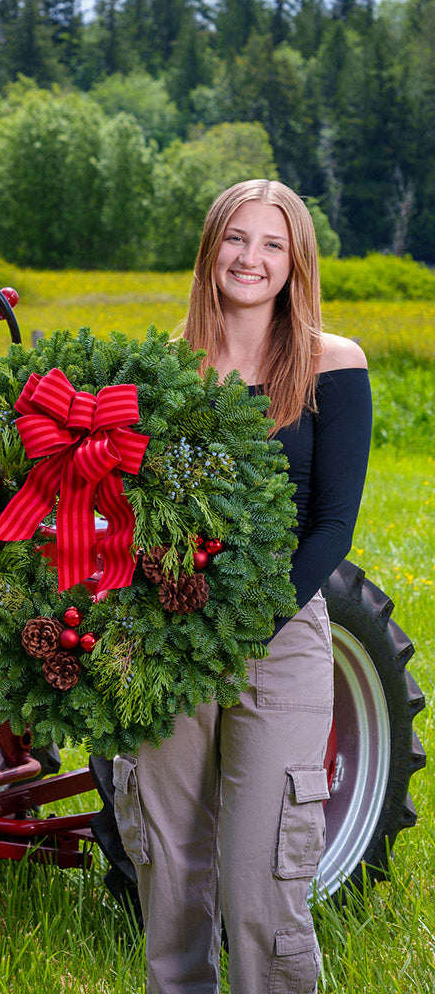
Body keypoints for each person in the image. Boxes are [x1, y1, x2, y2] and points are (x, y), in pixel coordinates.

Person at [112, 179, 371, 994]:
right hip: (170, 637)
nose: (249, 259)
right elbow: (129, 508)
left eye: (270, 243)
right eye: (235, 238)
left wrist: (242, 623)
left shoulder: (334, 364)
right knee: (170, 875)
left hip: (278, 632)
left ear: (295, 262)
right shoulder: (165, 370)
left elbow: (333, 525)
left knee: (263, 880)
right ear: (209, 250)